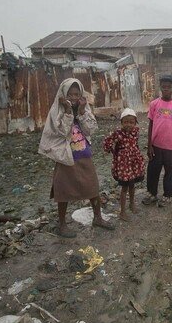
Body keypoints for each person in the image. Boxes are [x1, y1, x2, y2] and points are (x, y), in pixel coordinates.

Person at [38, 78, 115, 238]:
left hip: (84, 155)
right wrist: (67, 110)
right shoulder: (57, 112)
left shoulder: (84, 110)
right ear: (63, 95)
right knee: (63, 191)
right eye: (70, 94)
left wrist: (80, 112)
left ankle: (98, 218)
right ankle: (62, 224)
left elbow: (91, 129)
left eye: (76, 94)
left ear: (81, 96)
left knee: (93, 188)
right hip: (66, 158)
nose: (73, 98)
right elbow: (62, 131)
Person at [142, 75, 172, 207]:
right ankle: (152, 194)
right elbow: (151, 125)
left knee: (169, 171)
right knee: (153, 170)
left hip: (170, 147)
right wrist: (149, 145)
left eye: (169, 87)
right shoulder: (154, 104)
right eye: (164, 87)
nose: (166, 89)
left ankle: (167, 195)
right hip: (156, 145)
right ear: (160, 88)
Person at [103, 108, 145, 222]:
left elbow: (135, 144)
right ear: (121, 123)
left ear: (135, 123)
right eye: (126, 122)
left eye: (131, 122)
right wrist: (112, 151)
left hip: (133, 164)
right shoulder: (117, 133)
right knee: (124, 187)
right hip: (123, 165)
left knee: (132, 185)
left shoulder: (135, 132)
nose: (128, 125)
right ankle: (122, 211)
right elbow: (107, 142)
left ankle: (132, 205)